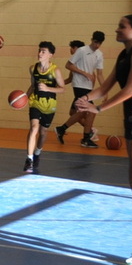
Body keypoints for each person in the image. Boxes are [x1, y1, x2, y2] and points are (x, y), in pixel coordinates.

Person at [76, 14, 132, 265]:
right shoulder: (123, 55)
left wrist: (99, 109)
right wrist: (87, 100)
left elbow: (131, 90)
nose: (116, 29)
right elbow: (104, 88)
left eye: (122, 26)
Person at [55, 31, 105, 148]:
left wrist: (104, 90)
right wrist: (85, 73)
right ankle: (86, 138)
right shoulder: (82, 51)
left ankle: (62, 129)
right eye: (96, 42)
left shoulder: (99, 54)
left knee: (78, 112)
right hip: (79, 85)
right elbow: (68, 65)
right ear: (92, 40)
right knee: (90, 111)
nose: (97, 45)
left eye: (100, 43)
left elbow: (100, 74)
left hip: (88, 87)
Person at [23, 41, 65, 174]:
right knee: (34, 128)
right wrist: (24, 98)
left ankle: (37, 152)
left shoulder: (55, 70)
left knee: (43, 133)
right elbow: (32, 86)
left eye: (43, 51)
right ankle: (29, 160)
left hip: (49, 105)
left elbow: (62, 89)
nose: (40, 53)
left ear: (50, 55)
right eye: (39, 51)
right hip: (35, 102)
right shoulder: (32, 68)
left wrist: (48, 88)